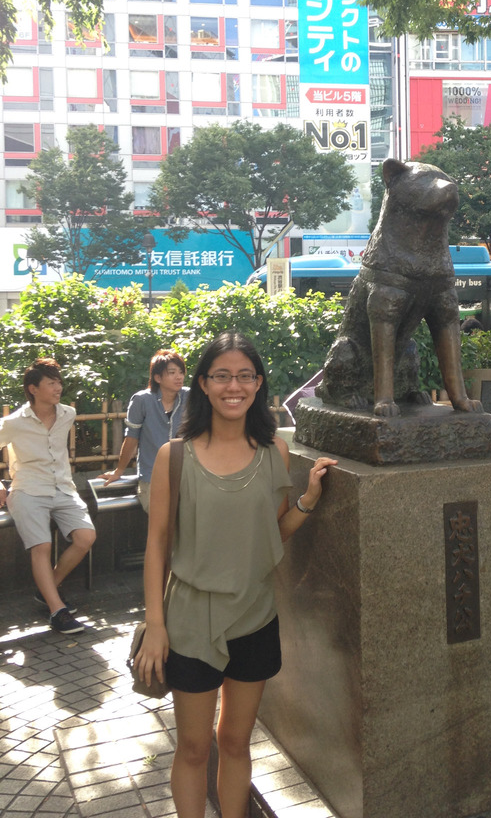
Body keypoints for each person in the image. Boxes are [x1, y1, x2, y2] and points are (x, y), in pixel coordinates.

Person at [135, 331, 336, 818]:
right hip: (189, 622)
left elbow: (271, 535)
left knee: (237, 743)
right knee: (192, 749)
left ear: (259, 384)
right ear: (203, 384)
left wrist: (308, 499)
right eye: (222, 375)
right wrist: (156, 626)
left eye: (245, 376)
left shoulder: (274, 454)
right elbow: (157, 544)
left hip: (255, 615)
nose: (234, 386)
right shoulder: (174, 456)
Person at [0, 358, 96, 634]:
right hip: (28, 490)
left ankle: (47, 591)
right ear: (33, 389)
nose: (58, 387)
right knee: (41, 545)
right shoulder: (15, 422)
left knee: (85, 537)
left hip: (63, 488)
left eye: (59, 382)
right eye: (51, 383)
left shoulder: (67, 414)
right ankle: (57, 611)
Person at [102, 349, 189, 512]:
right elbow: (132, 438)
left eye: (181, 372)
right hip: (152, 478)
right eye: (172, 372)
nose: (179, 377)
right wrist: (119, 470)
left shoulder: (189, 397)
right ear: (158, 377)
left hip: (185, 477)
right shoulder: (142, 400)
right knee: (162, 526)